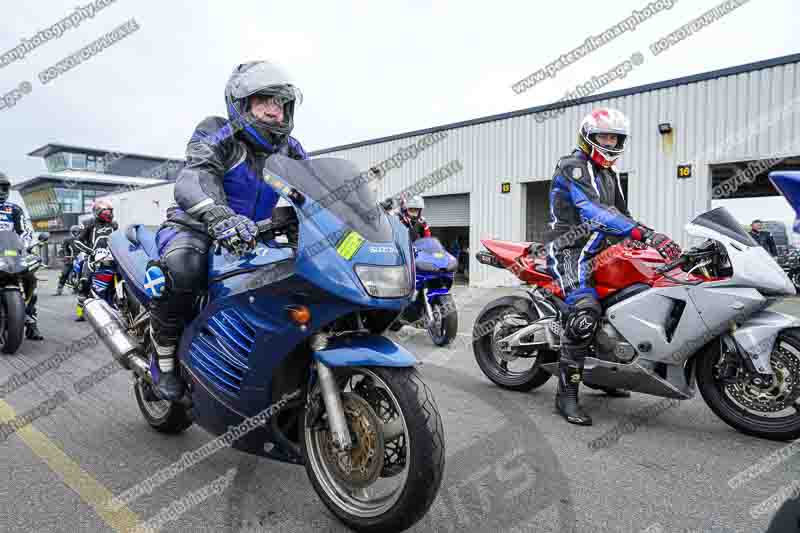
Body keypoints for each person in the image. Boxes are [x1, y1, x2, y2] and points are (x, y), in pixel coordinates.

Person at [147, 60, 308, 401]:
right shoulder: (218, 132)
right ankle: (162, 357)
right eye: (264, 99)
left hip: (254, 236)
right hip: (196, 226)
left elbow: (314, 188)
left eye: (280, 102)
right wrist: (219, 216)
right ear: (242, 103)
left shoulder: (290, 148)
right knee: (183, 269)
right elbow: (196, 175)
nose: (273, 110)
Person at [544, 108, 682, 426]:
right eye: (604, 136)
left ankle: (606, 373)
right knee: (585, 314)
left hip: (602, 249)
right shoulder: (573, 167)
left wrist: (651, 238)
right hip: (569, 249)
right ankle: (566, 396)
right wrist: (644, 234)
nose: (610, 142)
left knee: (630, 296)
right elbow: (592, 211)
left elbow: (621, 213)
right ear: (588, 137)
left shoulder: (610, 173)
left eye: (614, 137)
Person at [0, 172, 43, 340]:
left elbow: (25, 232)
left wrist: (25, 246)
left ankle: (32, 324)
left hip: (10, 255)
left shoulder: (15, 209)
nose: (2, 191)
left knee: (31, 279)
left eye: (4, 188)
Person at [75, 199, 118, 321]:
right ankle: (80, 311)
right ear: (98, 211)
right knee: (84, 283)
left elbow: (119, 240)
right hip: (93, 257)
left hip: (111, 256)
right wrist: (91, 252)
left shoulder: (114, 224)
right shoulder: (88, 223)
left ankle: (112, 306)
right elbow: (77, 241)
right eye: (106, 211)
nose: (109, 213)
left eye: (110, 211)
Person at [54, 224, 82, 295]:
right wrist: (64, 256)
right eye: (74, 232)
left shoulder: (82, 239)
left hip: (80, 259)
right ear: (71, 232)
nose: (76, 233)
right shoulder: (67, 240)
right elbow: (62, 249)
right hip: (70, 259)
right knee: (64, 273)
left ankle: (79, 288)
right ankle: (59, 289)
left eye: (77, 232)